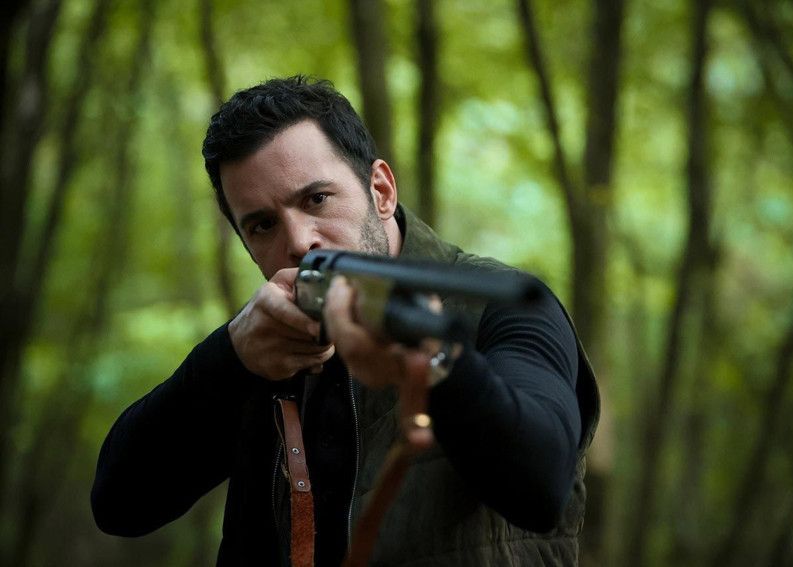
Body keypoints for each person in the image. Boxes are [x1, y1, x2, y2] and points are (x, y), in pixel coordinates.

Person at [91, 75, 600, 566]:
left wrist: (434, 359)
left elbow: (541, 487)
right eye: (263, 225)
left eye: (316, 199)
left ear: (381, 190)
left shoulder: (504, 305)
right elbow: (121, 506)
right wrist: (229, 360)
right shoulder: (261, 345)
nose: (299, 241)